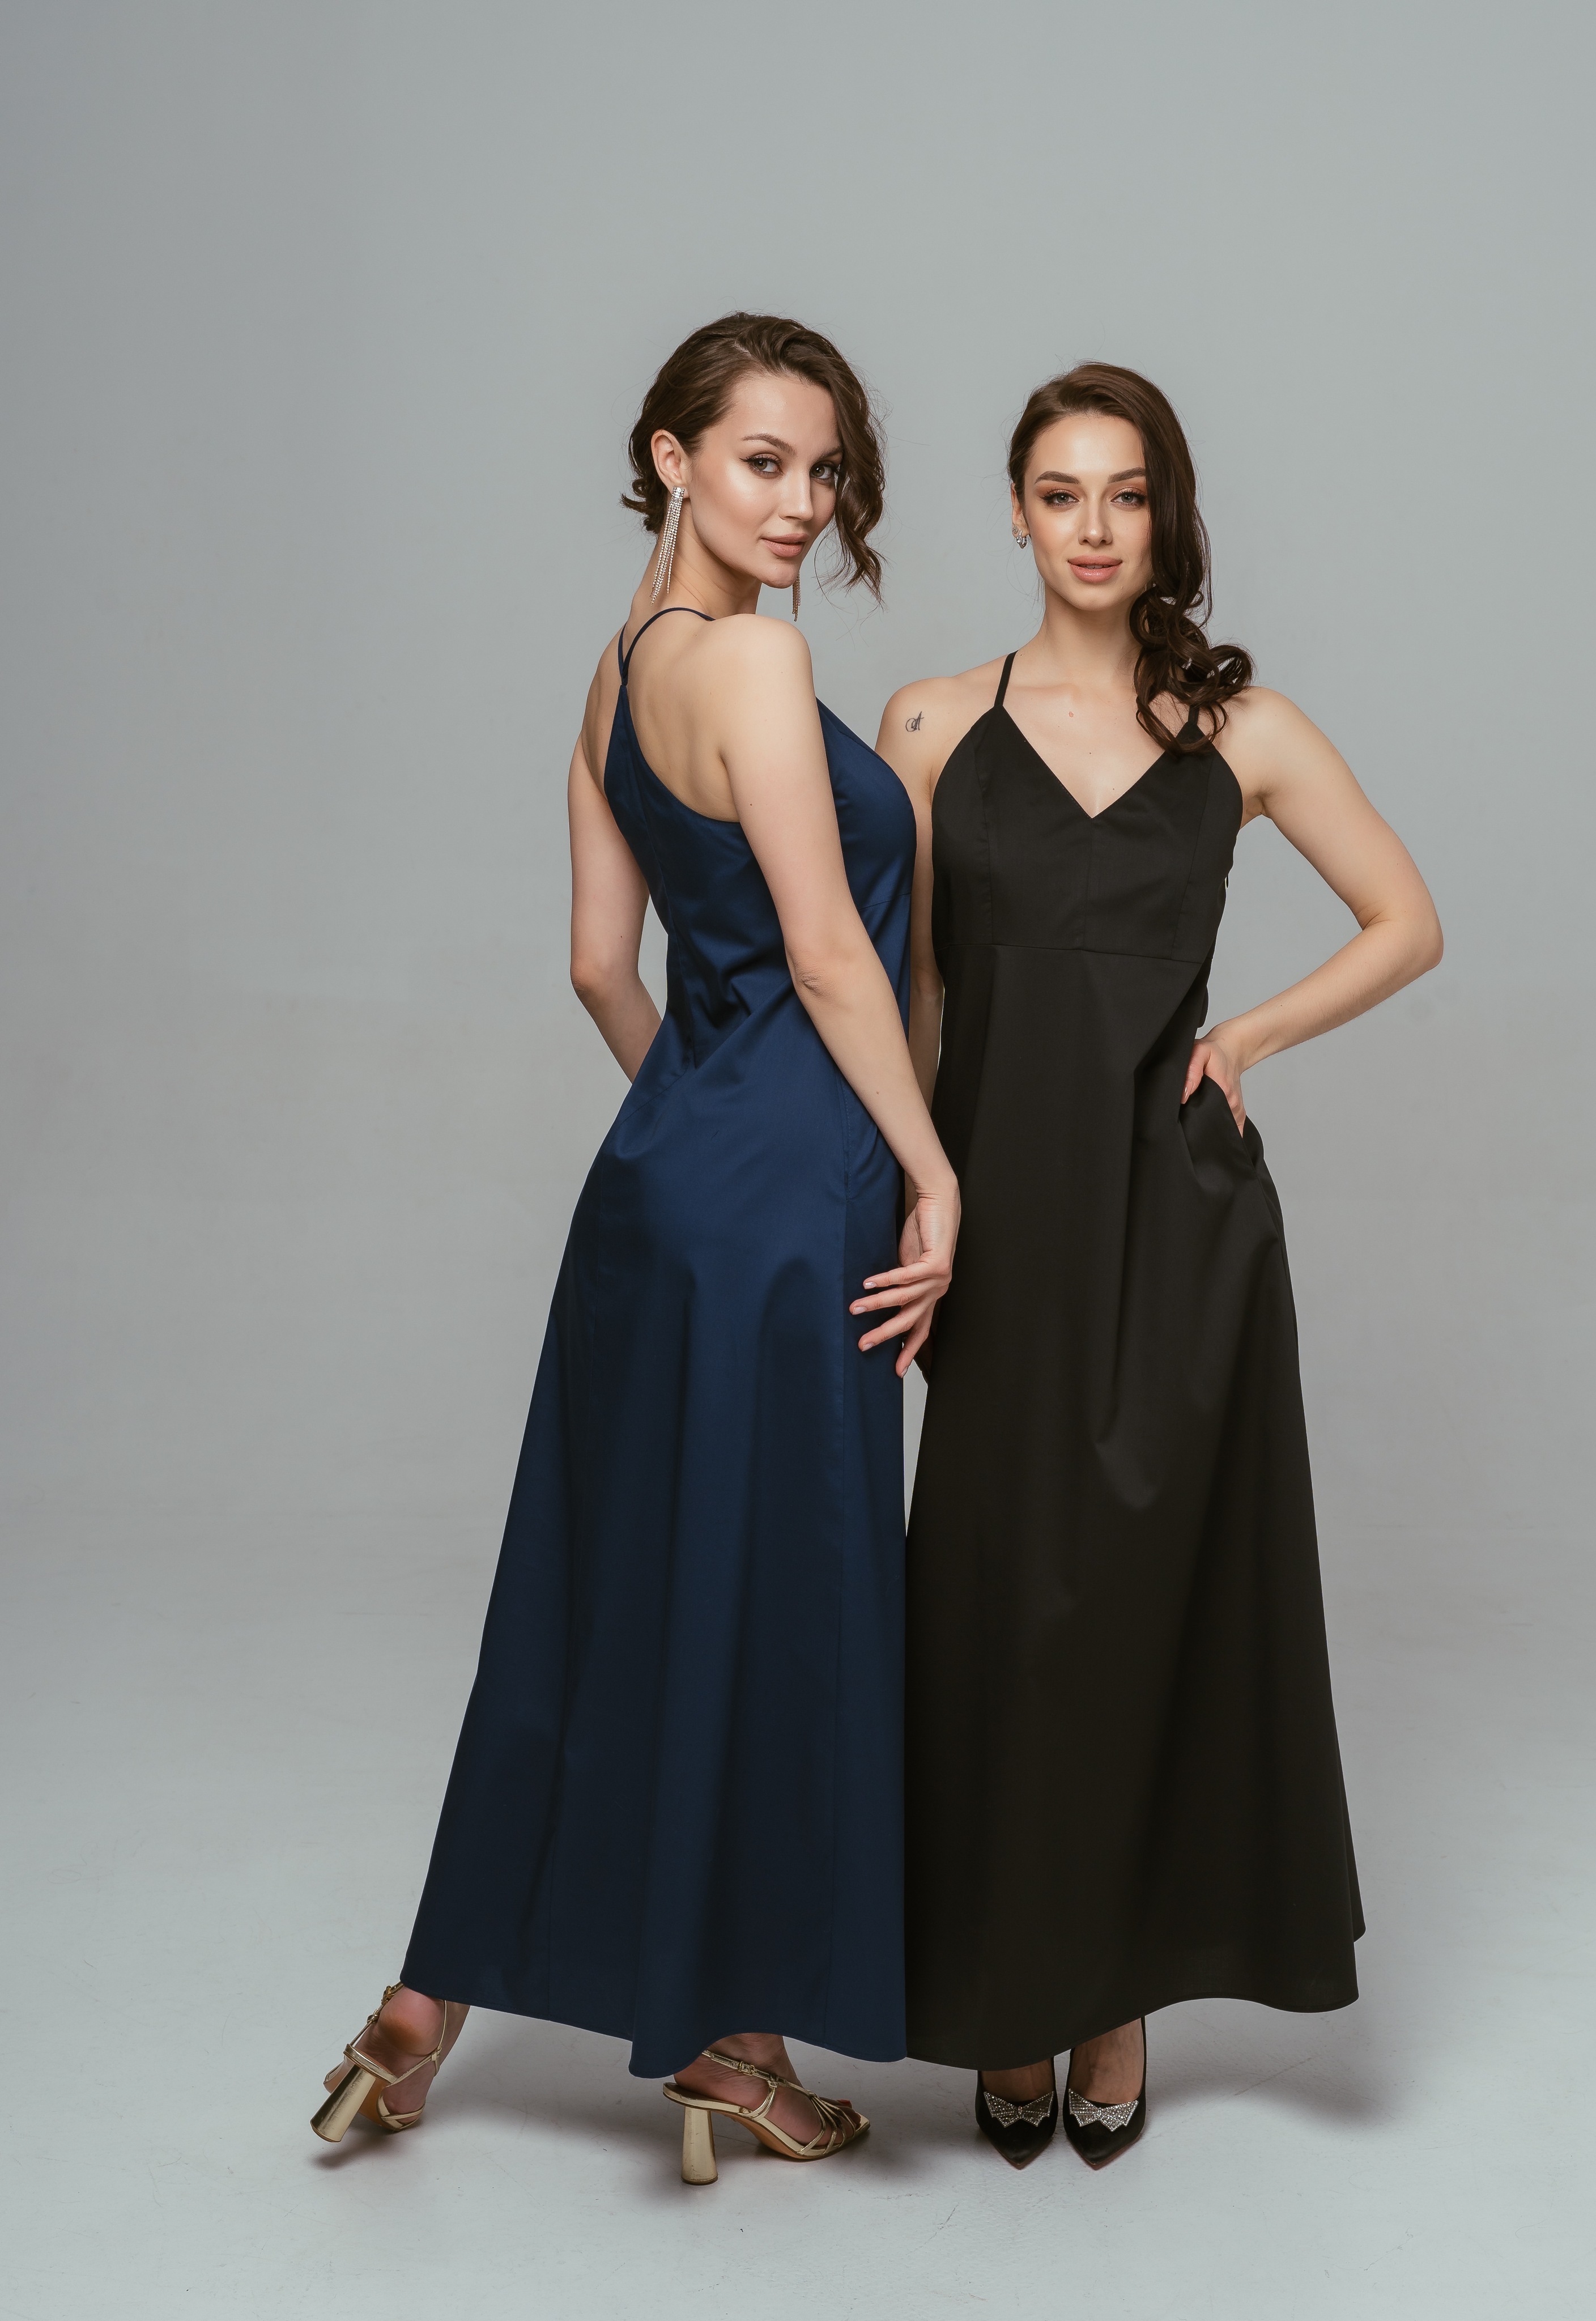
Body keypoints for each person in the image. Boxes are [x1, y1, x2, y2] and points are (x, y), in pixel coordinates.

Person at [310, 313, 959, 2184]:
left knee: (593, 1592)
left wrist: (703, 1119)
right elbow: (830, 955)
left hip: (660, 1184)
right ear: (669, 459)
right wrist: (927, 1173)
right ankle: (724, 2044)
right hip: (798, 1199)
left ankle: (413, 2019)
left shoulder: (607, 683)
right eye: (763, 461)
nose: (801, 503)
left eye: (824, 471)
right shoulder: (757, 660)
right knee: (778, 1599)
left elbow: (603, 968)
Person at [875, 362, 1441, 2169]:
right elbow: (915, 995)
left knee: (1132, 1613)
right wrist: (911, 1193)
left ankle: (1110, 1996)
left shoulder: (1239, 731)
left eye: (1125, 494)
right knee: (994, 1612)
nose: (1094, 527)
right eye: (1060, 493)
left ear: (1164, 513)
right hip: (994, 1214)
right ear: (1015, 513)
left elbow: (1407, 922)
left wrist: (1246, 1037)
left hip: (1172, 1220)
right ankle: (1008, 1986)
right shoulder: (928, 722)